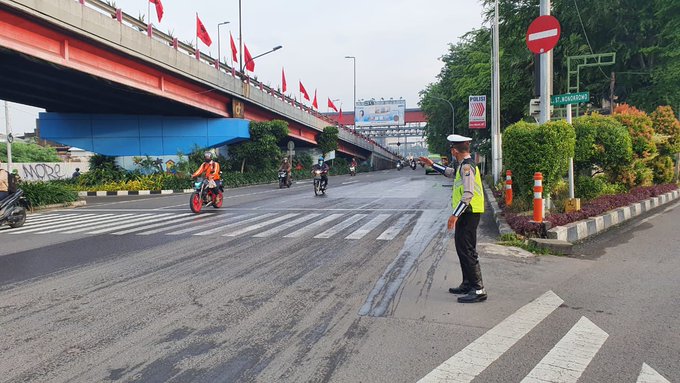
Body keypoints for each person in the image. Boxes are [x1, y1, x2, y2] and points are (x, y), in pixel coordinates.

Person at [419, 134, 487, 303]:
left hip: (469, 212)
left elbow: (468, 194)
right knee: (461, 248)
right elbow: (450, 173)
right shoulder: (462, 165)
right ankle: (467, 283)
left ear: (455, 150)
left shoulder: (467, 167)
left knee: (468, 250)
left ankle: (478, 289)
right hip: (466, 212)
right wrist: (432, 165)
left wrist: (454, 215)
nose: (451, 152)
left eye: (451, 149)